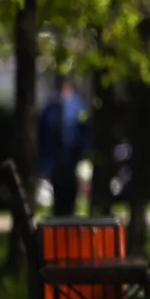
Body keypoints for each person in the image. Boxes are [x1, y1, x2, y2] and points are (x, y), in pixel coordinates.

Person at [37, 79, 93, 216]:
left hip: (73, 161)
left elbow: (85, 133)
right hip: (56, 162)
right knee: (58, 196)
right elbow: (43, 136)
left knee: (70, 196)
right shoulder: (51, 107)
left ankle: (68, 218)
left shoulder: (78, 106)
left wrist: (85, 155)